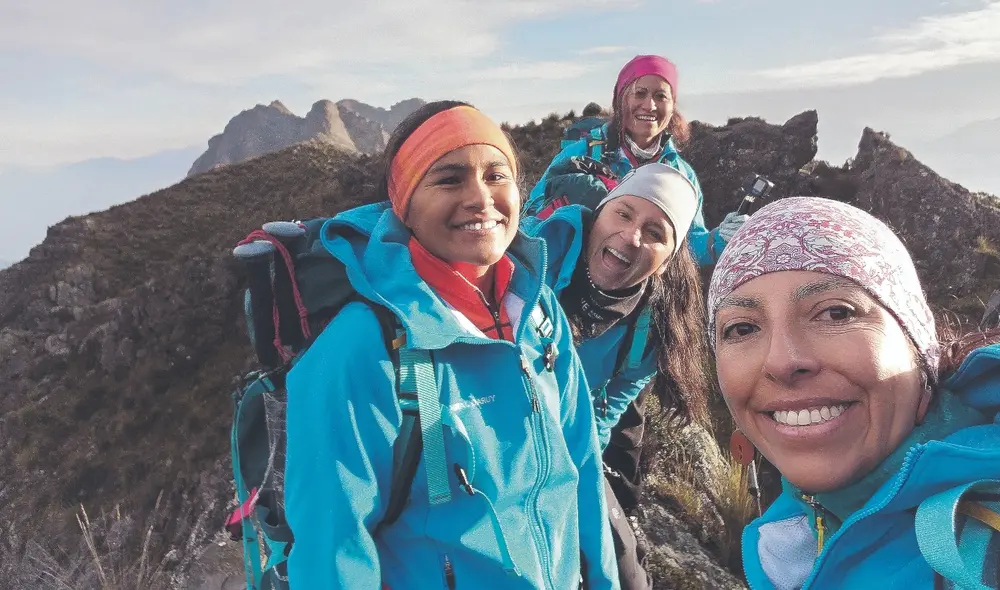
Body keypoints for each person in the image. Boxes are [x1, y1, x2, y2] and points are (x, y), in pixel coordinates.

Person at [283, 100, 620, 589]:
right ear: (405, 205)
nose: (481, 199)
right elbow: (332, 547)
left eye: (496, 175)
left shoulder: (537, 310)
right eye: (449, 179)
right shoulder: (363, 346)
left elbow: (581, 465)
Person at [706, 196, 1000, 589]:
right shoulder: (788, 542)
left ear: (917, 343)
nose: (780, 361)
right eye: (742, 328)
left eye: (836, 312)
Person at [521, 162, 713, 589]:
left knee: (625, 571)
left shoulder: (652, 329)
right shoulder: (533, 256)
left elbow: (610, 407)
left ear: (666, 262)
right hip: (499, 430)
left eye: (656, 232)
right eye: (622, 213)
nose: (631, 236)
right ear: (598, 215)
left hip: (570, 444)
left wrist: (575, 466)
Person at [524, 54, 747, 266]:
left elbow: (685, 246)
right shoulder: (580, 154)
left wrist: (717, 240)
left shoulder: (680, 174)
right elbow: (529, 219)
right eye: (639, 93)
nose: (649, 105)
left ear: (672, 107)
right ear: (621, 100)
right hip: (570, 290)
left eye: (661, 96)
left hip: (646, 297)